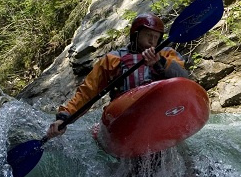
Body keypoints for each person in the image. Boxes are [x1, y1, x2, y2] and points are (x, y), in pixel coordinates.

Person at [46, 12, 189, 139]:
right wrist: (63, 118)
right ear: (136, 34)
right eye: (148, 35)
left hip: (159, 111)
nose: (152, 41)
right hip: (125, 115)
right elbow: (87, 92)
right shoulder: (112, 59)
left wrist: (160, 63)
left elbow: (184, 79)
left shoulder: (167, 54)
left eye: (156, 37)